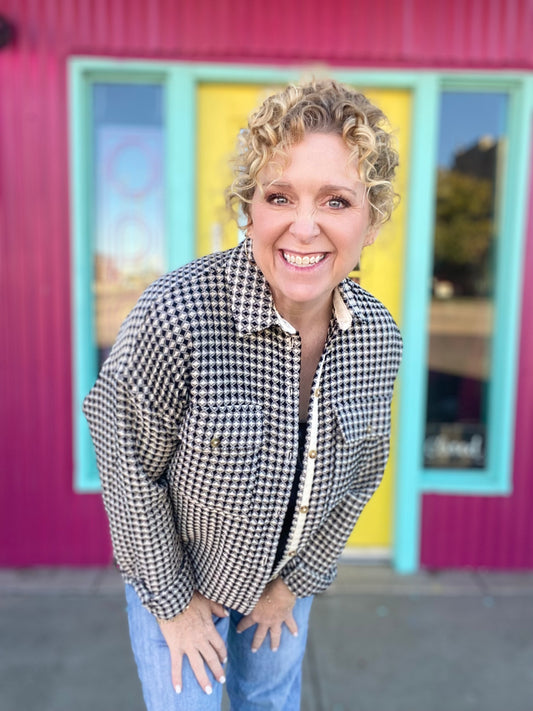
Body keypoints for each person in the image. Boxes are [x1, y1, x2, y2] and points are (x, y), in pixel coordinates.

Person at [83, 78, 402, 711]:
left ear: (371, 222)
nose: (303, 226)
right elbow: (125, 464)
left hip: (282, 584)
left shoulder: (378, 338)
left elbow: (361, 474)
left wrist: (296, 583)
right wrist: (174, 604)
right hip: (178, 579)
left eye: (336, 201)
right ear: (248, 209)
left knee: (271, 705)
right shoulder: (178, 312)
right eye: (279, 195)